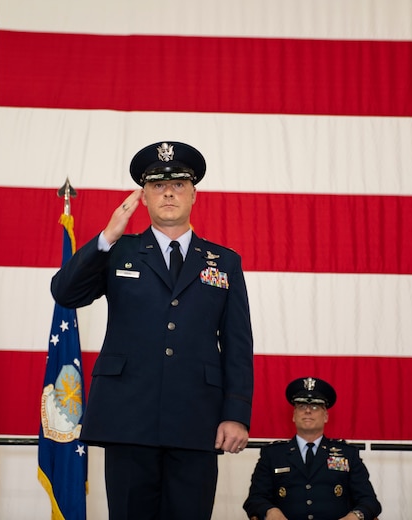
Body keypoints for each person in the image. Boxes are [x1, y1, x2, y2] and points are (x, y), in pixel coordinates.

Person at [51, 140, 254, 520]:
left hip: (198, 418)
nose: (169, 193)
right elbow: (66, 294)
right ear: (143, 197)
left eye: (178, 184)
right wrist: (107, 237)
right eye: (158, 185)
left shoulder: (224, 262)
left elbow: (238, 343)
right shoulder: (118, 251)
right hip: (128, 416)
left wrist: (236, 413)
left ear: (194, 193)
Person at [243, 377, 382, 520]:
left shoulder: (348, 454)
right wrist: (270, 511)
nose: (308, 411)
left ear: (326, 416)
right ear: (294, 415)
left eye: (315, 407)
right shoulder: (273, 454)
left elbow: (370, 501)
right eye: (302, 406)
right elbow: (255, 499)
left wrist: (355, 516)